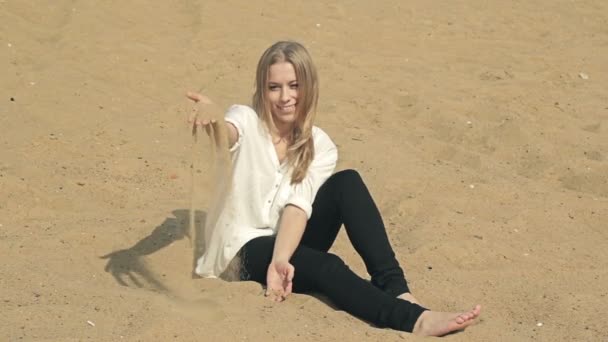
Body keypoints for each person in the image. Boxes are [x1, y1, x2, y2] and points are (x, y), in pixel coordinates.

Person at [186, 41, 481, 336]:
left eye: (294, 85)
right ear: (262, 90)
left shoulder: (319, 144)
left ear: (309, 86)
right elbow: (228, 133)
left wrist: (281, 259)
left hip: (286, 240)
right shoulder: (246, 120)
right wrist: (213, 119)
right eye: (274, 87)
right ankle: (415, 320)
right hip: (241, 250)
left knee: (348, 183)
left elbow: (298, 206)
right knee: (327, 266)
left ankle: (396, 288)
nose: (285, 97)